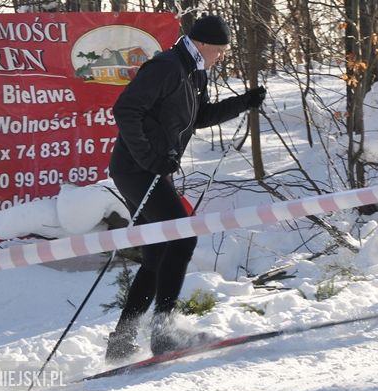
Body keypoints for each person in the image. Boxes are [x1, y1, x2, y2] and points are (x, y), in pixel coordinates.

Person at [105, 14, 266, 361]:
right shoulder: (166, 67)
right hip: (137, 168)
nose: (222, 56)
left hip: (149, 169)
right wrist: (149, 158)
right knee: (183, 237)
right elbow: (126, 109)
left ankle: (122, 340)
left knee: (158, 252)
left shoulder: (194, 72)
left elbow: (200, 117)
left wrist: (244, 102)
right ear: (204, 44)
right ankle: (163, 333)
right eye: (220, 50)